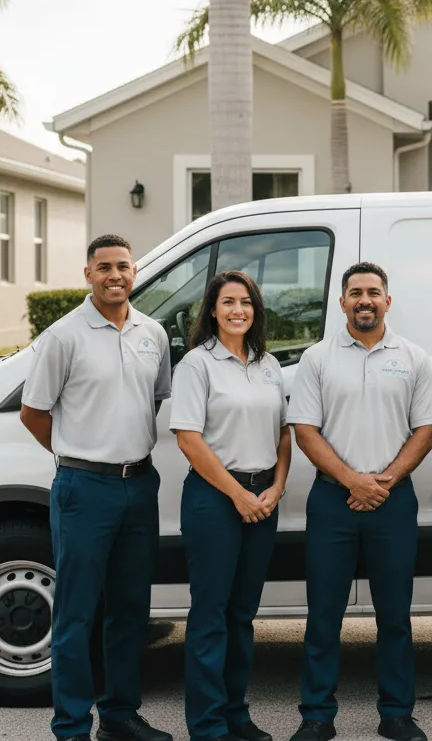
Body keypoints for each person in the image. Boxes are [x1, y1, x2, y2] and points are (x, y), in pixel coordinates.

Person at [20, 234, 173, 741]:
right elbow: (33, 412)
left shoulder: (153, 333)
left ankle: (120, 716)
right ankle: (70, 727)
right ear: (88, 273)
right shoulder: (63, 336)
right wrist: (77, 454)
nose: (115, 275)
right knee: (76, 614)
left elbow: (154, 400)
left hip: (139, 485)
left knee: (130, 611)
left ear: (135, 273)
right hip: (84, 488)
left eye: (123, 267)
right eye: (104, 266)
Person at [286, 262, 432, 741]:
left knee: (394, 615)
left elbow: (427, 431)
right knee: (324, 615)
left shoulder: (413, 358)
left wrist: (383, 482)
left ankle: (396, 713)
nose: (364, 300)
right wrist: (352, 480)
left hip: (393, 502)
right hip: (333, 500)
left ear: (387, 301)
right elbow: (305, 431)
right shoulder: (318, 358)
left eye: (373, 292)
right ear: (342, 303)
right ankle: (317, 715)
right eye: (355, 292)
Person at [168, 270, 293, 741]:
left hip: (262, 498)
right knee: (211, 615)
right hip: (214, 499)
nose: (237, 310)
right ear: (212, 310)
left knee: (242, 615)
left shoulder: (268, 365)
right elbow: (189, 439)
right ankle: (207, 724)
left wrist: (276, 488)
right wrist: (237, 494)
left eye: (245, 302)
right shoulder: (197, 365)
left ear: (255, 310)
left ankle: (236, 715)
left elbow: (284, 433)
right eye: (227, 302)